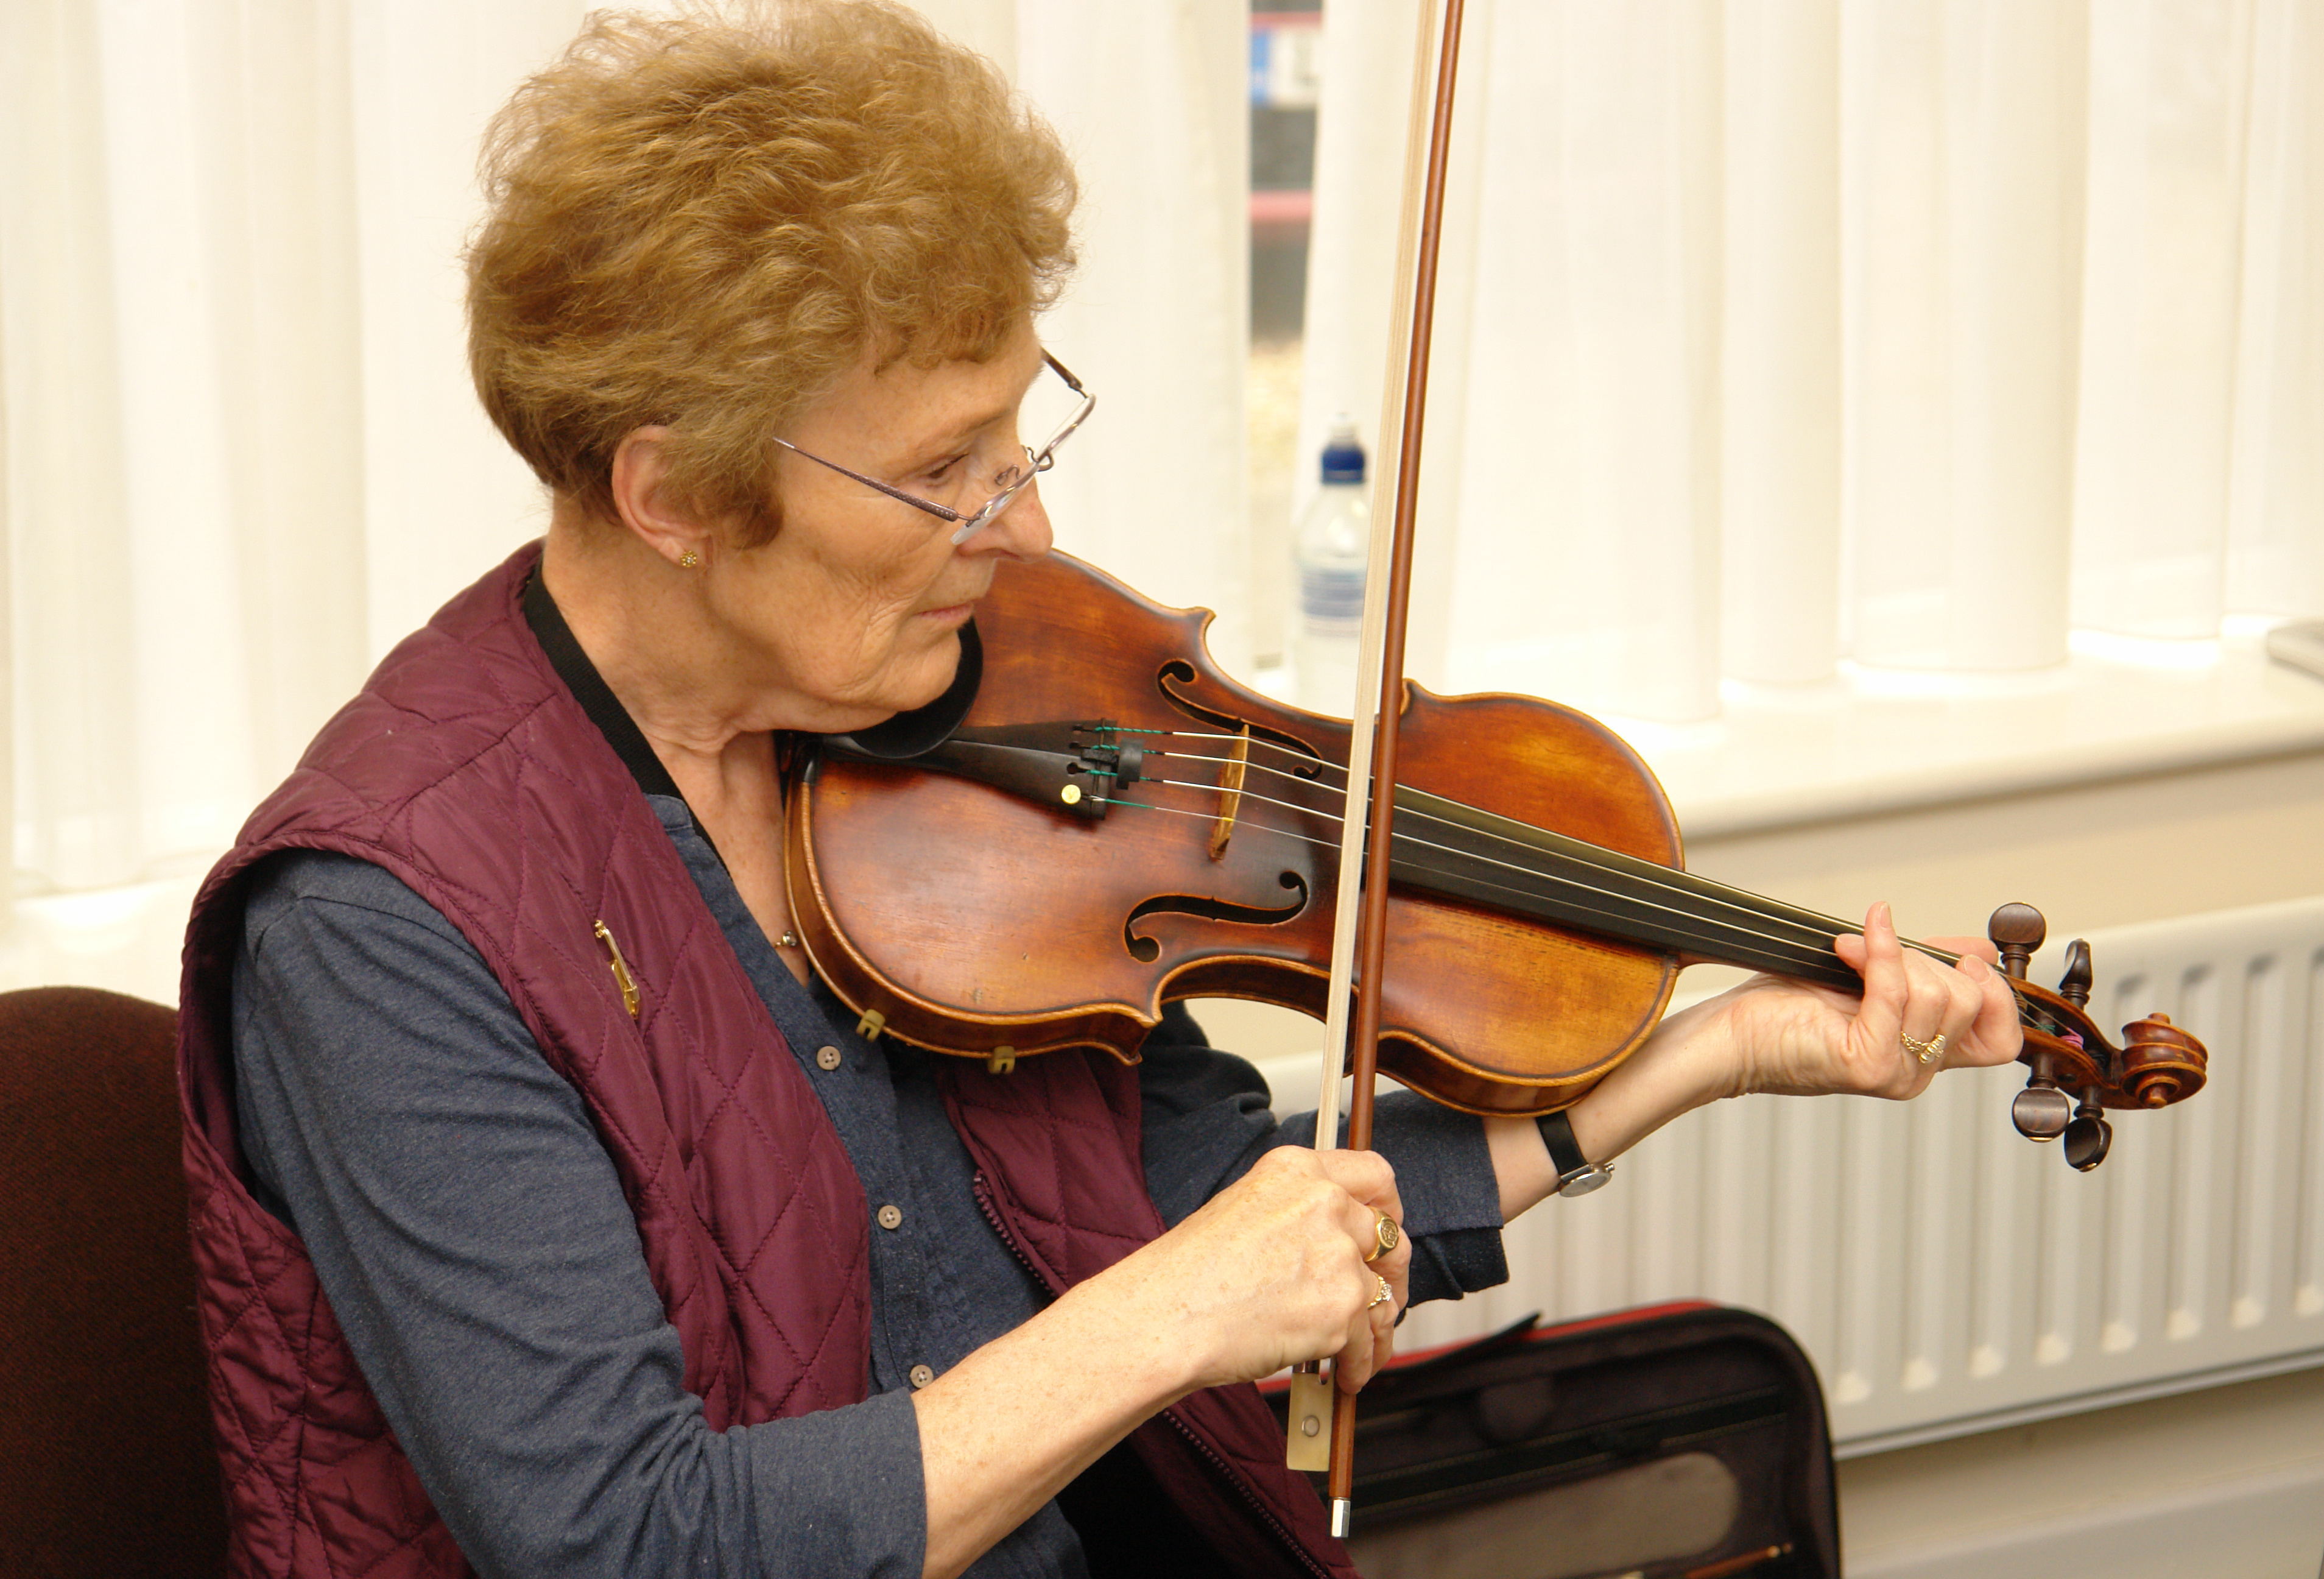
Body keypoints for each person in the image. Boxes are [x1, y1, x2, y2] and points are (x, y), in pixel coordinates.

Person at [174, 4, 2022, 1577]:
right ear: (673, 497)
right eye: (944, 475)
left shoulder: (939, 720)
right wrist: (1165, 1319)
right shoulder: (382, 925)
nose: (1031, 533)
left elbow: (1210, 1204)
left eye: (1021, 432)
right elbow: (627, 1543)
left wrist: (1707, 1054)